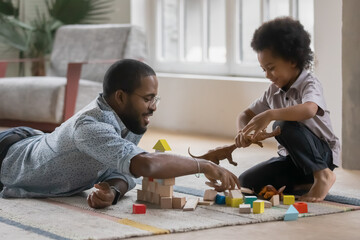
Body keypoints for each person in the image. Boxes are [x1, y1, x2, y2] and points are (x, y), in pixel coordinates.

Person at [0, 59, 239, 209]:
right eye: (148, 99)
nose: (154, 106)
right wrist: (203, 165)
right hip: (8, 154)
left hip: (37, 140)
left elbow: (123, 171)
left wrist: (113, 191)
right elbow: (144, 165)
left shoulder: (127, 120)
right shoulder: (91, 126)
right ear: (121, 97)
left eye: (155, 98)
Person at [234, 17, 340, 202]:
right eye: (263, 69)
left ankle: (323, 176)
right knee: (246, 183)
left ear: (292, 60)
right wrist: (244, 132)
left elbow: (309, 109)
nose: (267, 75)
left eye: (271, 68)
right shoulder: (273, 92)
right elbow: (246, 114)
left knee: (283, 124)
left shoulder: (309, 83)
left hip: (322, 157)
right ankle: (304, 184)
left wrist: (270, 114)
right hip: (294, 162)